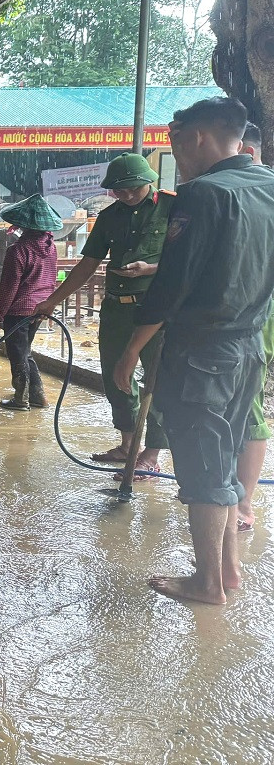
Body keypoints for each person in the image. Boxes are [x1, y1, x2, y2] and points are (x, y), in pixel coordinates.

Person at [112, 97, 274, 604]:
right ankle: (226, 569)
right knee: (223, 457)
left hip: (202, 351)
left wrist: (130, 350)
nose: (176, 155)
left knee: (202, 466)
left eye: (177, 143)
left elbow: (172, 286)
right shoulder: (268, 187)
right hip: (249, 347)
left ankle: (207, 582)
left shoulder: (200, 194)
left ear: (197, 137)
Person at [36, 153, 171, 473]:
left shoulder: (172, 208)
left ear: (148, 181)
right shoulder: (110, 217)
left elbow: (190, 259)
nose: (124, 196)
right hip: (115, 309)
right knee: (117, 377)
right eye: (118, 191)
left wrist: (151, 268)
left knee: (158, 379)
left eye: (131, 190)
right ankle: (128, 444)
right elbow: (86, 266)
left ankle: (151, 454)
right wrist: (52, 300)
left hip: (155, 308)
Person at [0, 194, 60, 410]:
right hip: (41, 307)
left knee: (17, 354)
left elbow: (9, 288)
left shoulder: (18, 250)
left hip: (19, 310)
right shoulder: (51, 247)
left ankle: (21, 399)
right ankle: (38, 396)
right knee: (25, 351)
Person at [236, 122, 273, 533]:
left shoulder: (257, 190)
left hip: (259, 308)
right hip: (247, 304)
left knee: (248, 402)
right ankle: (229, 489)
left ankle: (244, 502)